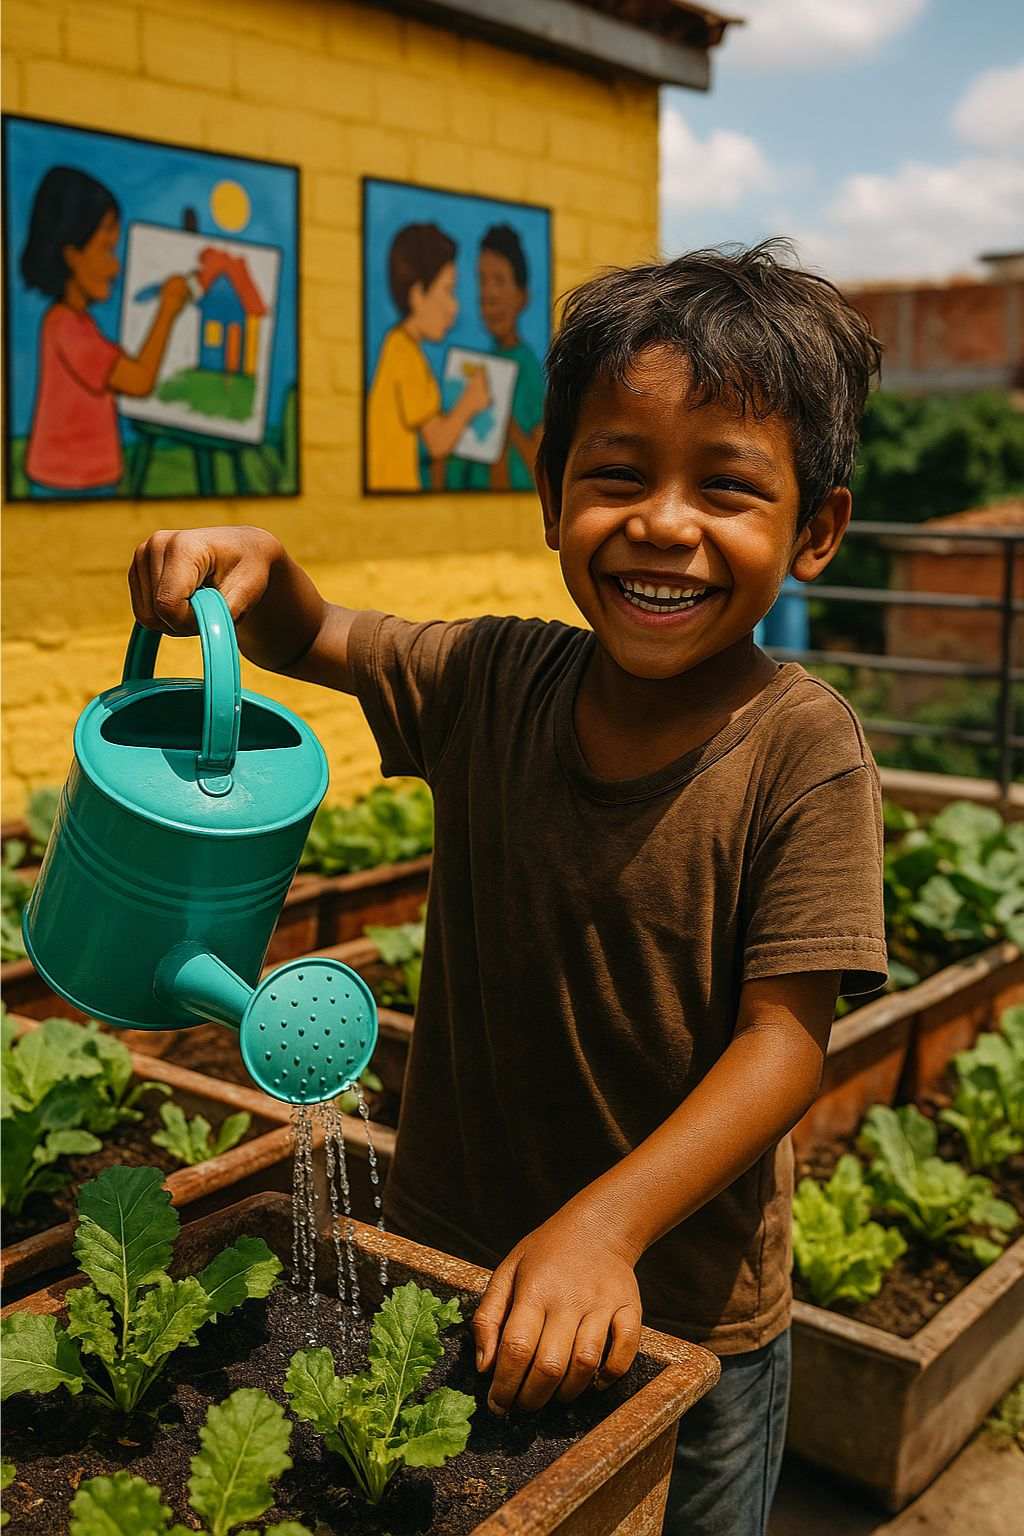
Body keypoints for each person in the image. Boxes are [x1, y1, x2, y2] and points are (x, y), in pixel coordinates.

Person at [128, 240, 887, 1536]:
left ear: (815, 527)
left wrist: (607, 1230)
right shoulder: (494, 680)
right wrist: (253, 560)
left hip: (682, 1312)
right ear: (548, 497)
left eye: (726, 487)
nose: (661, 522)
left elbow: (783, 1048)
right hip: (445, 1257)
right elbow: (315, 633)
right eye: (617, 474)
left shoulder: (805, 749)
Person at [19, 165, 190, 496]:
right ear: (72, 254)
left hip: (89, 481)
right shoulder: (66, 327)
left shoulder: (80, 323)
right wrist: (167, 310)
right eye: (107, 250)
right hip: (65, 484)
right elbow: (138, 380)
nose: (116, 266)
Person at [366, 221, 490, 491]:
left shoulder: (401, 346)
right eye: (448, 290)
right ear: (418, 295)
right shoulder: (404, 353)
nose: (454, 307)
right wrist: (470, 402)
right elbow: (437, 442)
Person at [447, 223, 545, 491]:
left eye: (500, 281)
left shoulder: (526, 367)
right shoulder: (479, 366)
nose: (489, 295)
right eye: (482, 280)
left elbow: (537, 457)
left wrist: (503, 421)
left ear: (522, 296)